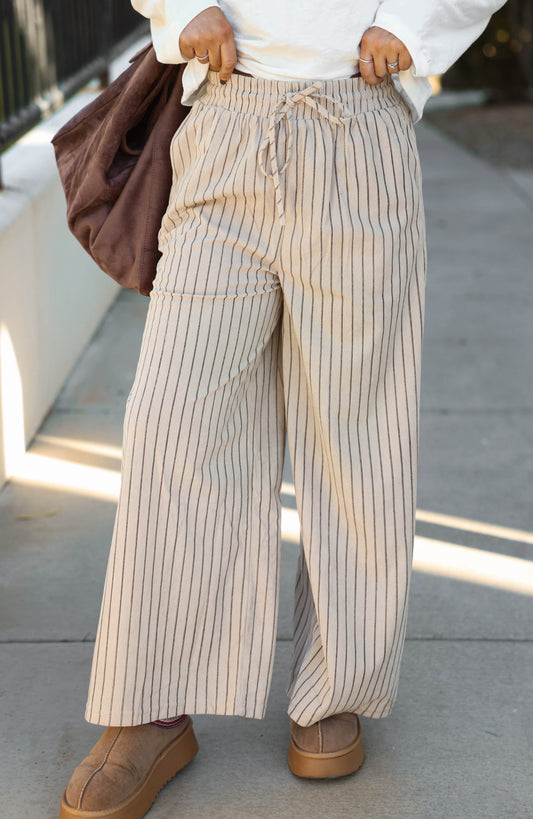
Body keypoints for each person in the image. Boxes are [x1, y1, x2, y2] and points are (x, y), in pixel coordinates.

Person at [59, 2, 504, 817]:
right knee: (173, 421)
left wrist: (420, 19)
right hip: (227, 114)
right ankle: (151, 702)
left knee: (353, 432)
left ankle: (334, 683)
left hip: (359, 121)